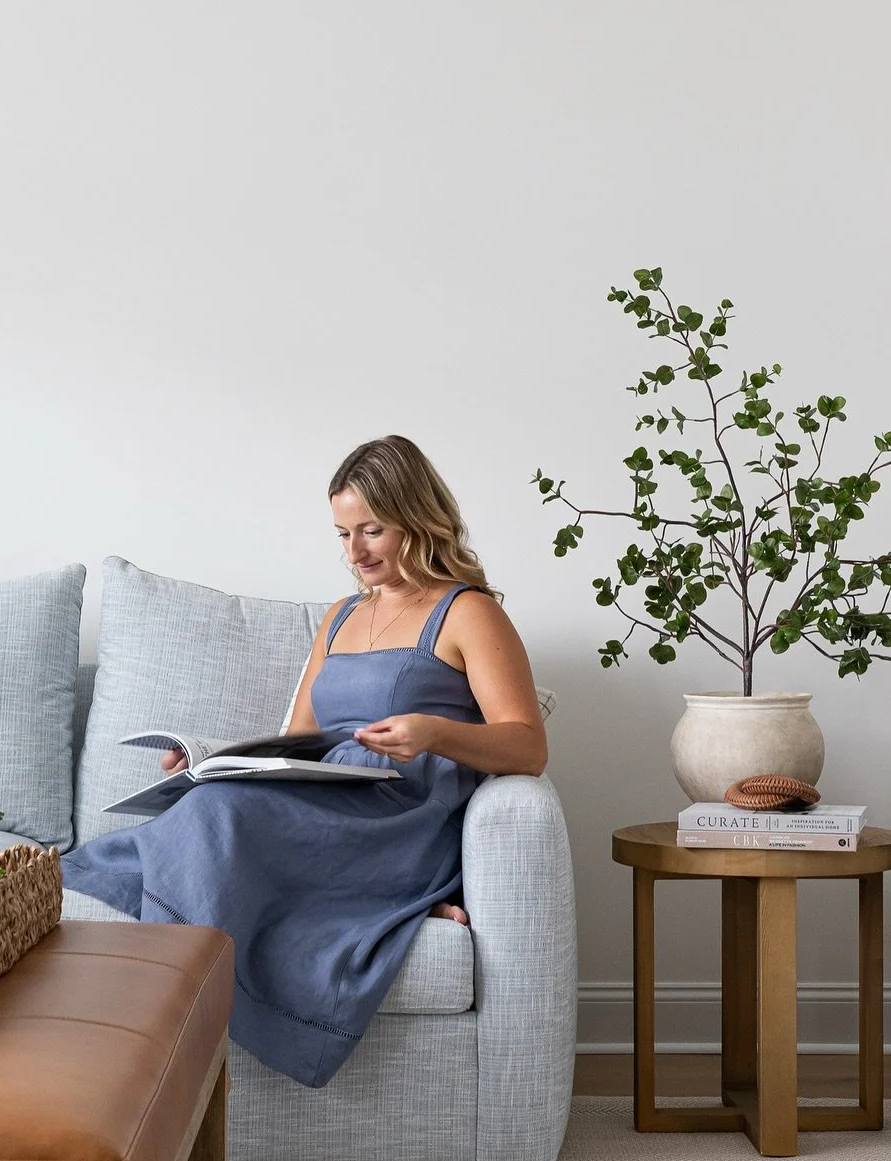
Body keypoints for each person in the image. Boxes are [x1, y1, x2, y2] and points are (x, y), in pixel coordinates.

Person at [61, 434, 547, 1088]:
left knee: (217, 816)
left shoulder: (468, 613)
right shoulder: (341, 617)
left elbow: (527, 744)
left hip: (395, 819)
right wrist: (212, 759)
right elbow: (297, 742)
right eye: (342, 533)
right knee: (210, 799)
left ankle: (171, 1021)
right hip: (327, 800)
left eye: (371, 530)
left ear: (416, 518)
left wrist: (435, 732)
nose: (354, 551)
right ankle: (180, 999)